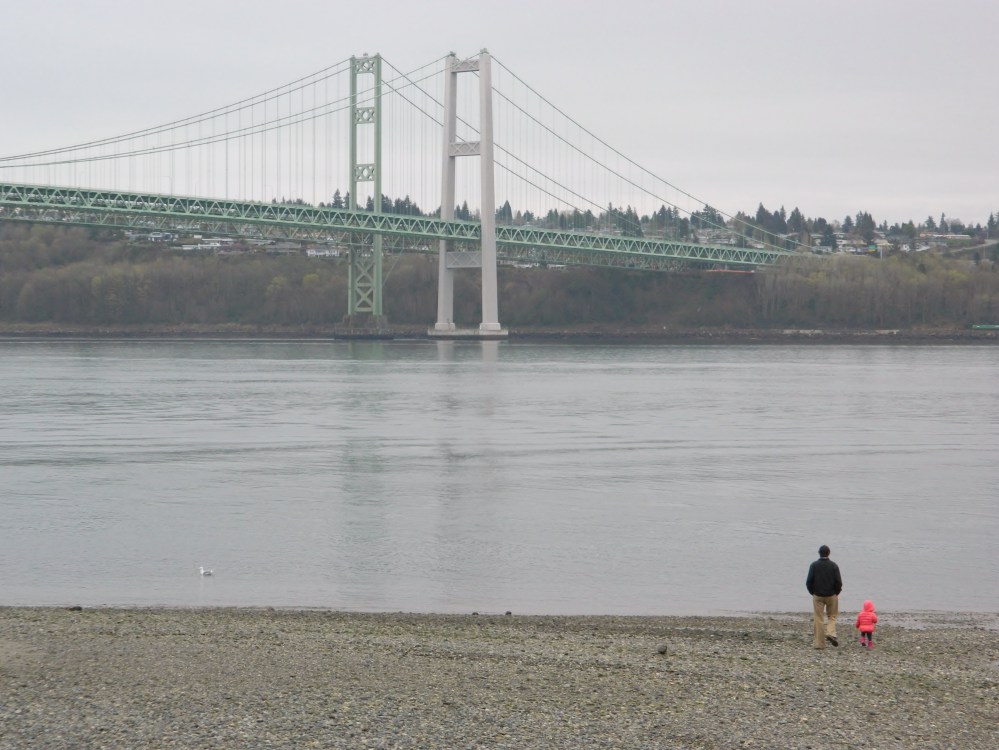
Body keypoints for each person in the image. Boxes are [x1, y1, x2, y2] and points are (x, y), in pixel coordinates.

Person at [805, 544, 842, 649]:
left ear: (819, 553)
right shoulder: (834, 566)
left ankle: (819, 644)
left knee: (818, 618)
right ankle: (830, 632)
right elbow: (839, 582)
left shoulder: (814, 565)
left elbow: (808, 582)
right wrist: (836, 593)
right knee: (832, 616)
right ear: (829, 553)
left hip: (818, 595)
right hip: (831, 595)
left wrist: (813, 592)